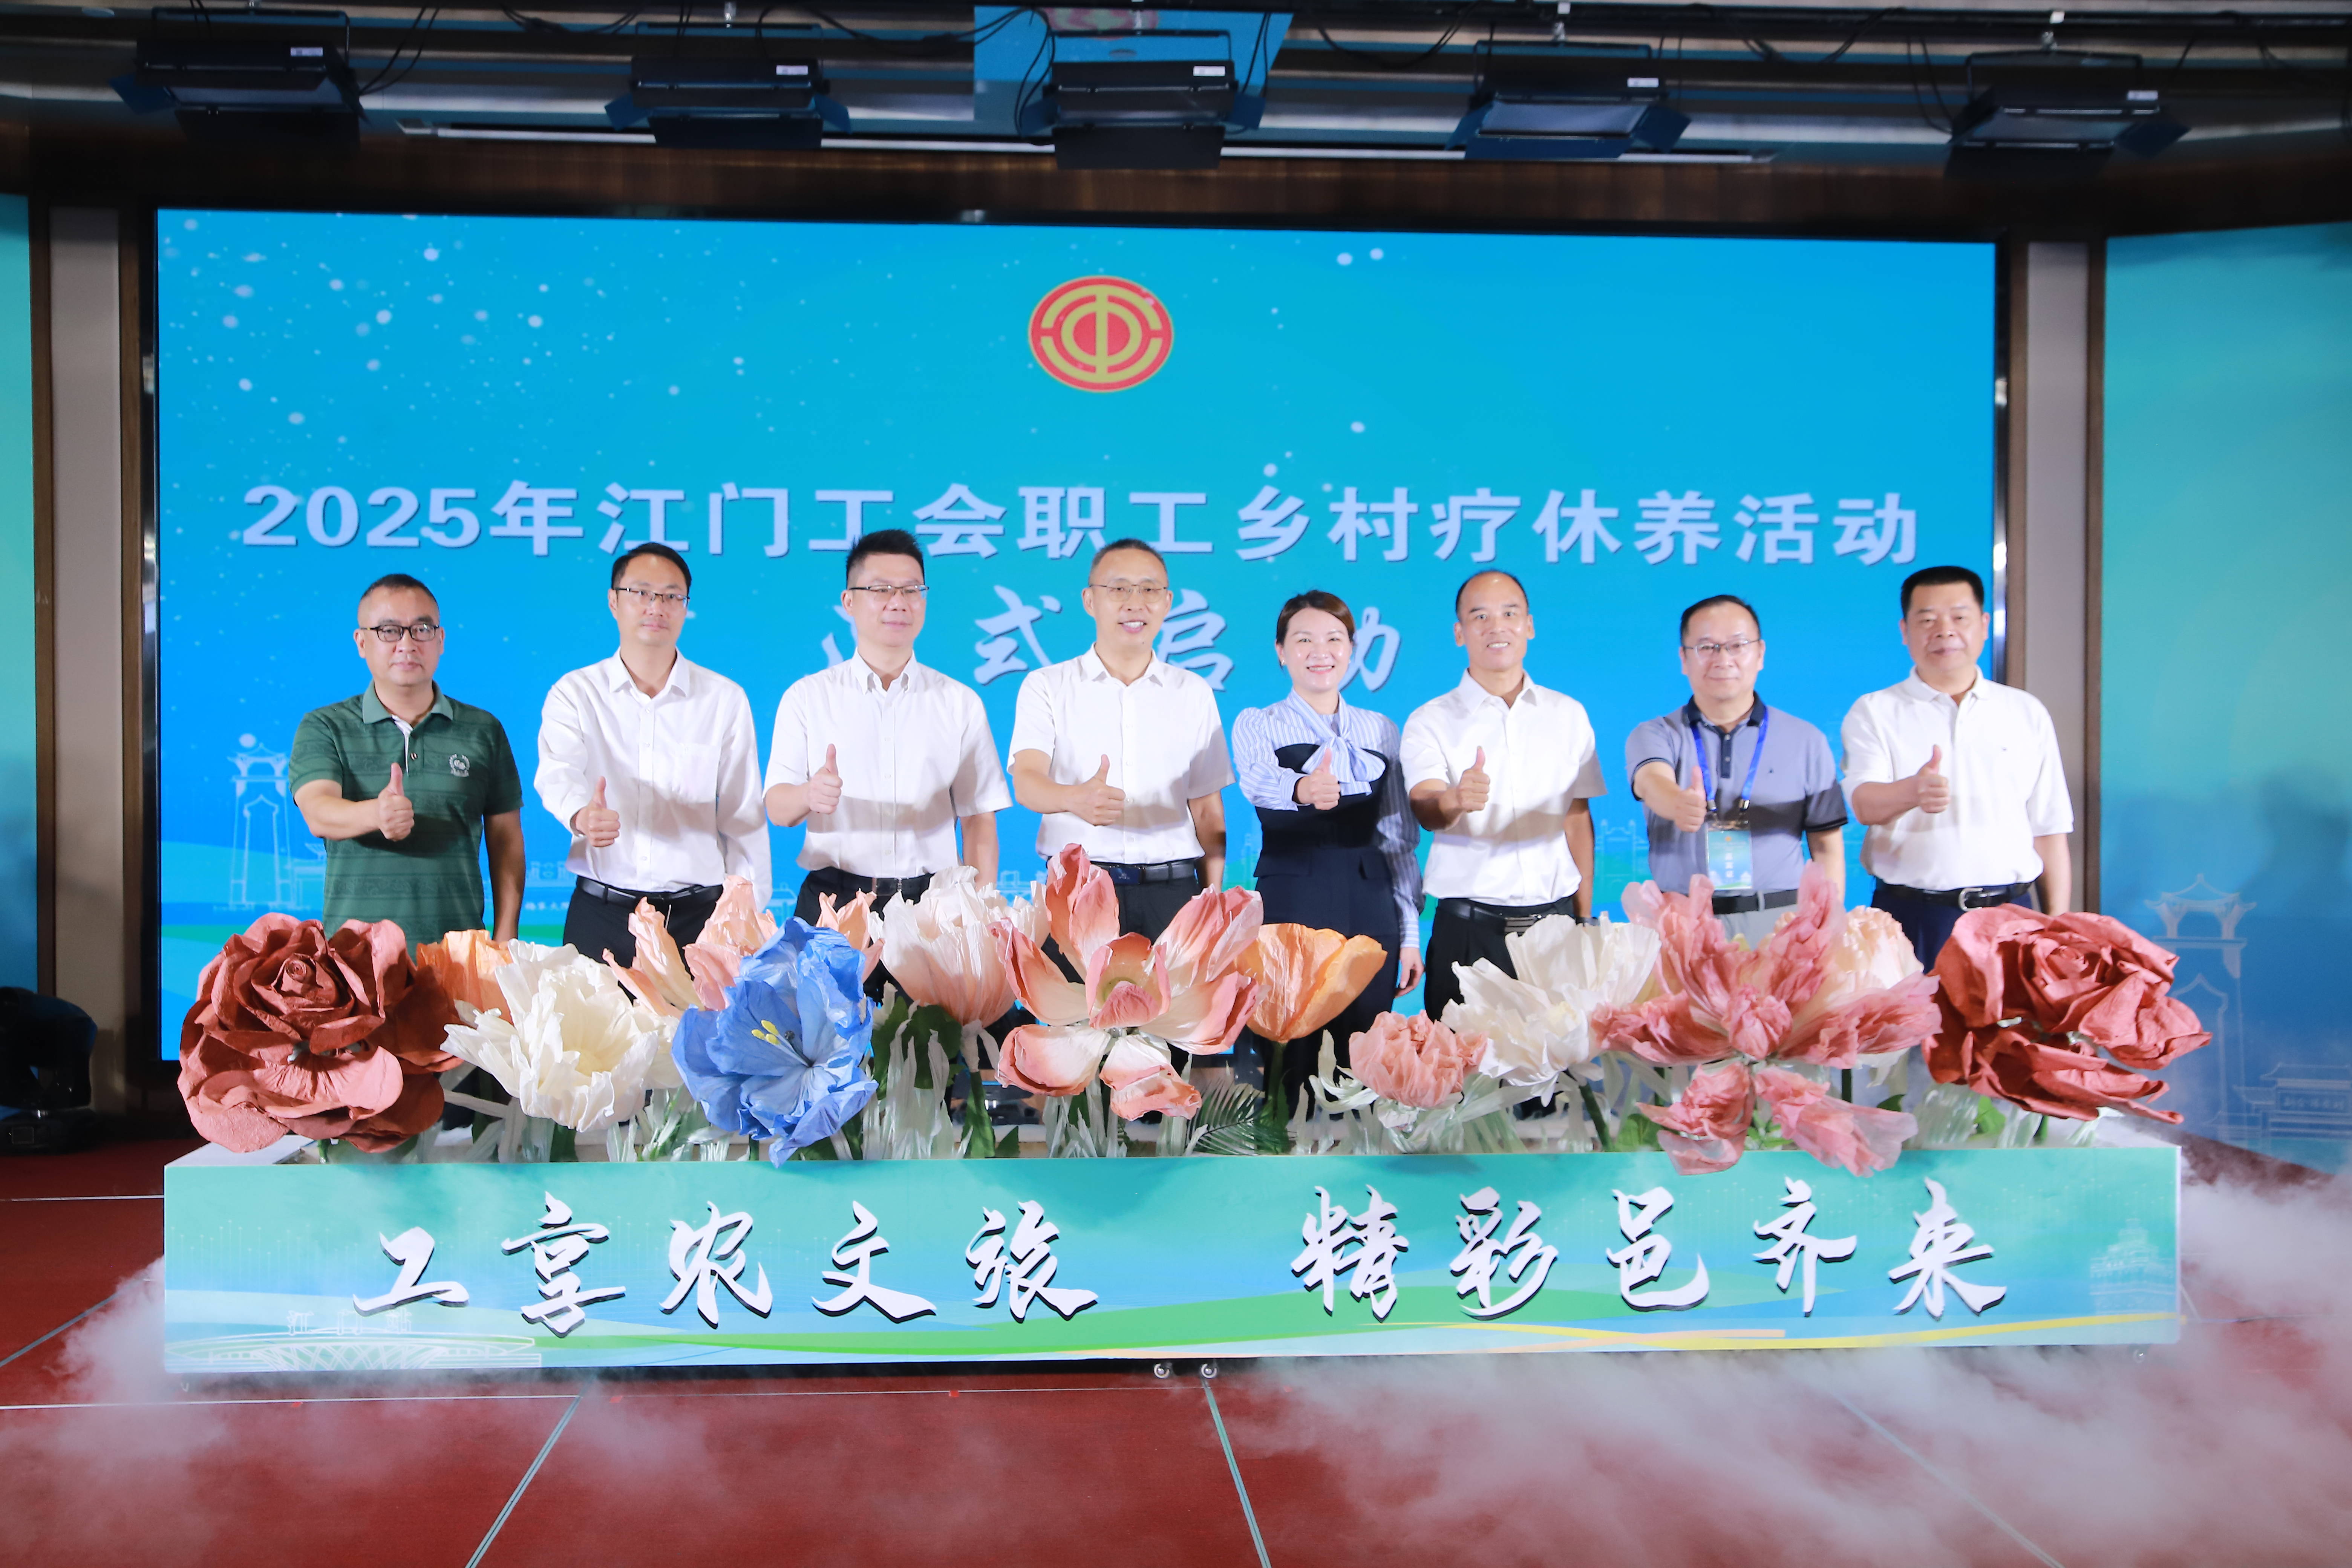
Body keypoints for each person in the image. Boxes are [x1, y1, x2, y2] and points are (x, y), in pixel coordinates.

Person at [536, 543, 769, 969]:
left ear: (685, 607)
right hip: (602, 913)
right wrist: (581, 814)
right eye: (641, 592)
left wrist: (749, 914)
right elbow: (557, 771)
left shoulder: (723, 699)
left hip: (699, 919)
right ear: (614, 601)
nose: (656, 606)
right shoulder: (576, 693)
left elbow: (743, 816)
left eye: (671, 596)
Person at [767, 530, 1009, 938]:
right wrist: (809, 795)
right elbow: (777, 808)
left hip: (932, 908)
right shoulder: (807, 697)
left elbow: (979, 820)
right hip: (833, 905)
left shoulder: (959, 702)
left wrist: (980, 913)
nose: (899, 602)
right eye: (881, 590)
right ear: (849, 601)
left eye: (912, 590)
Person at [1231, 590, 1424, 1097]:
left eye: (1334, 639)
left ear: (1352, 648)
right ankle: (1280, 1143)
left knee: (1365, 1056)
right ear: (1281, 651)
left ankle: (1365, 1150)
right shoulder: (1259, 722)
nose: (1321, 652)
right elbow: (1256, 780)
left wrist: (1409, 935)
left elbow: (1399, 839)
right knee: (1286, 1054)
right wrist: (1302, 788)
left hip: (1371, 900)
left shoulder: (1381, 729)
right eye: (1304, 640)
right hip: (1293, 897)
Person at [1842, 564, 2074, 966]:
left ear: (1984, 625)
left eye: (1960, 618)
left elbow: (2049, 829)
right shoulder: (1875, 710)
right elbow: (1864, 805)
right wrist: (1911, 792)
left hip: (2012, 917)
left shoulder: (2025, 711)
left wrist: (2058, 928)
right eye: (1928, 620)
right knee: (1911, 1011)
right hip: (1913, 917)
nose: (1945, 631)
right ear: (1905, 631)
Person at [1403, 570, 1605, 1024]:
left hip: (1556, 934)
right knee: (1462, 1066)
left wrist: (1584, 921)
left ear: (1529, 625)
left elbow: (1577, 819)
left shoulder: (1568, 714)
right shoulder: (1430, 720)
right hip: (1469, 936)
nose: (1497, 626)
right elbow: (1425, 806)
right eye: (1480, 616)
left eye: (1510, 613)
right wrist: (1455, 799)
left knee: (1556, 1069)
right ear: (1460, 632)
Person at [1009, 538, 1233, 940]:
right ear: (1090, 600)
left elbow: (1207, 810)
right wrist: (1074, 798)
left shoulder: (1192, 692)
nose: (1135, 603)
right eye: (1118, 589)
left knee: (1175, 988)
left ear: (1167, 602)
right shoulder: (1047, 686)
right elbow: (1026, 781)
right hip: (1079, 893)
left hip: (1173, 895)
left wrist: (1212, 899)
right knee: (1071, 986)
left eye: (1149, 590)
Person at [291, 574, 525, 947]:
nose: (407, 644)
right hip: (356, 959)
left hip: (460, 955)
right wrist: (377, 814)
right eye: (389, 631)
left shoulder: (483, 729)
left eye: (422, 629)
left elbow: (506, 838)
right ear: (362, 642)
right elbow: (318, 812)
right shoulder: (326, 725)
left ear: (441, 640)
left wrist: (506, 938)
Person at [1627, 594, 1847, 946]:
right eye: (1706, 647)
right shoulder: (1655, 734)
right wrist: (1676, 803)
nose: (1723, 659)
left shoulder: (1806, 739)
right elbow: (1651, 780)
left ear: (1760, 654)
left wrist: (1829, 926)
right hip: (1682, 925)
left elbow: (1826, 845)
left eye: (1737, 645)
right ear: (1684, 659)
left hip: (1780, 923)